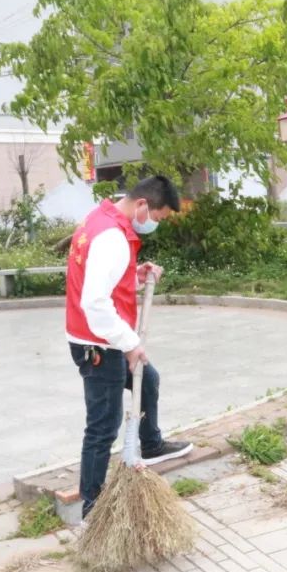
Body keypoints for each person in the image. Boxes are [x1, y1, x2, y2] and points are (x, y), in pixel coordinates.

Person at [66, 175, 192, 520]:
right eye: (158, 217)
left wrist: (132, 275)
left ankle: (149, 444)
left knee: (147, 379)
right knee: (102, 427)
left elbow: (99, 275)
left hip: (99, 337)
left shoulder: (101, 218)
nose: (155, 225)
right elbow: (95, 303)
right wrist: (129, 343)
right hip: (99, 345)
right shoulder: (112, 237)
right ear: (141, 206)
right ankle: (92, 509)